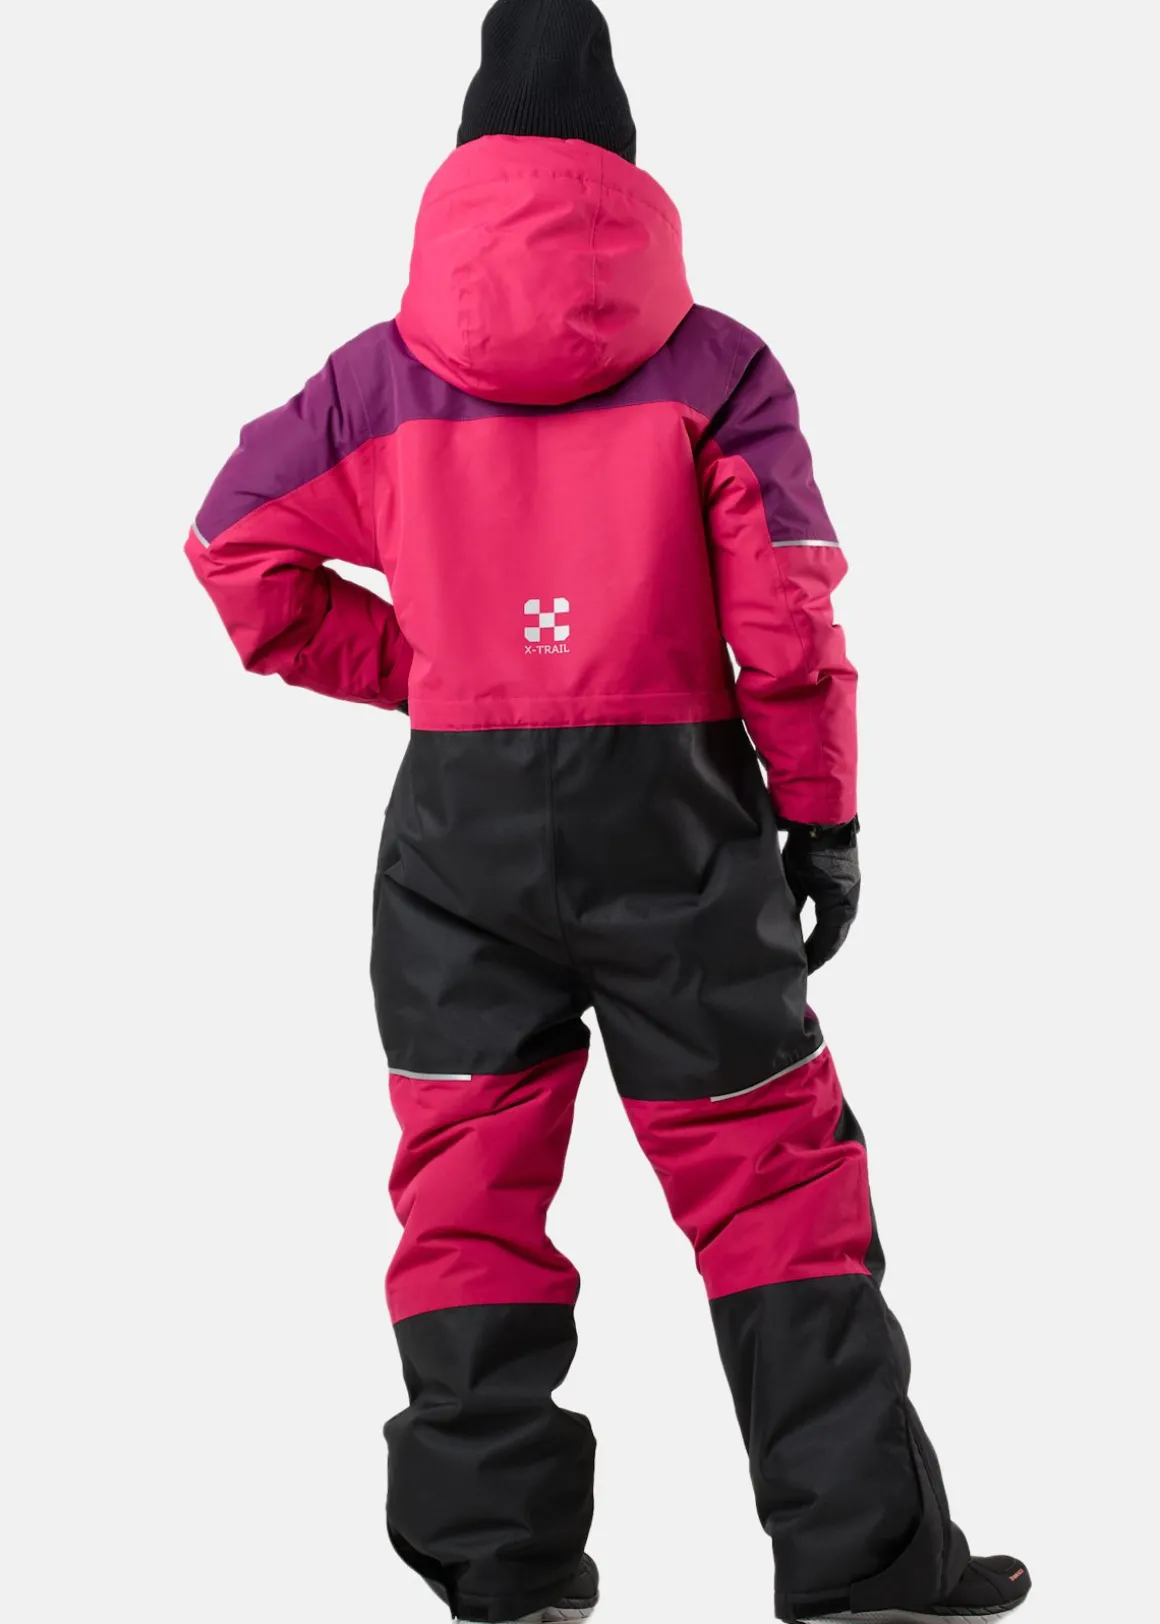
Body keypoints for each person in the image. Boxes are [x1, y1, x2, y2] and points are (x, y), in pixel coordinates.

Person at [186, 2, 1031, 1620]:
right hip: (676, 828)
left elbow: (234, 547)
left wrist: (432, 669)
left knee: (467, 1189)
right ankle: (864, 1564)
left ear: (464, 162)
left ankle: (502, 1575)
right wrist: (824, 818)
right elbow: (785, 613)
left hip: (459, 839)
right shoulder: (720, 366)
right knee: (768, 1175)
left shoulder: (373, 380)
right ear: (624, 166)